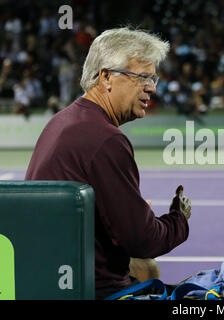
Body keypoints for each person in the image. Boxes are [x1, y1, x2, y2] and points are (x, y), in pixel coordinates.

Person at [25, 27, 191, 299]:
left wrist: (132, 213)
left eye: (154, 78)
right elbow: (142, 240)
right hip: (87, 287)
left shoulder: (63, 121)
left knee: (146, 269)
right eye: (143, 78)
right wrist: (179, 220)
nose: (152, 88)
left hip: (50, 274)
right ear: (106, 77)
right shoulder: (105, 139)